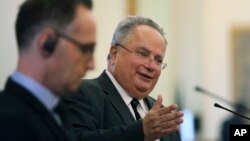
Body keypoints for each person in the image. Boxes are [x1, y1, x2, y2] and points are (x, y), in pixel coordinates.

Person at [63, 16, 184, 141]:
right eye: (142, 53)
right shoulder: (82, 92)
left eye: (158, 60)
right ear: (114, 54)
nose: (152, 66)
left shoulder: (163, 118)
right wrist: (141, 132)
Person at [0, 0, 96, 140]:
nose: (92, 64)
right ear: (47, 43)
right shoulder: (11, 126)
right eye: (86, 49)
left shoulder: (56, 111)